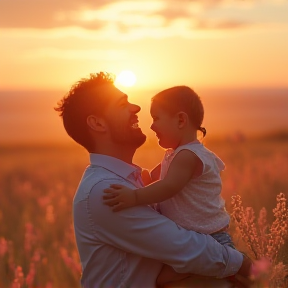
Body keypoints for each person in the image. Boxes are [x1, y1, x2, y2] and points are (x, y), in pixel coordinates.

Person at [54, 72, 252, 288]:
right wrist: (245, 266)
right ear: (98, 124)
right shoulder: (105, 192)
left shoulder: (132, 181)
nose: (136, 108)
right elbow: (184, 247)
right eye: (122, 104)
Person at [102, 86, 238, 285]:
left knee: (158, 279)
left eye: (156, 118)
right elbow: (152, 178)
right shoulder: (175, 155)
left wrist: (135, 197)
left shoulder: (188, 156)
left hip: (211, 240)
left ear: (181, 120)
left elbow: (168, 186)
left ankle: (224, 272)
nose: (152, 127)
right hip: (197, 240)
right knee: (159, 278)